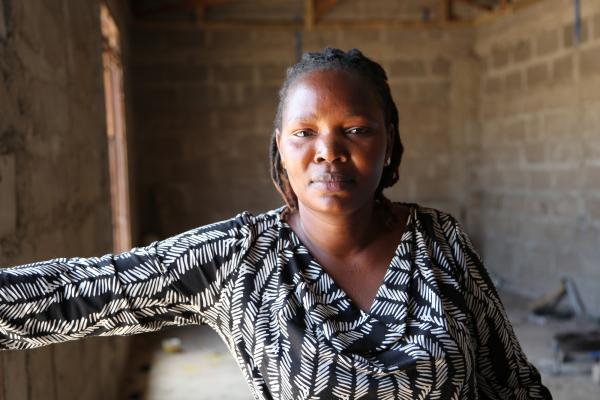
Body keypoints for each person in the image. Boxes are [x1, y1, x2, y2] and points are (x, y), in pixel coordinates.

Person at [0, 48, 551, 400]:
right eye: (304, 132)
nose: (328, 152)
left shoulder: (440, 243)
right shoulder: (241, 260)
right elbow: (78, 290)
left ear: (389, 143)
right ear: (280, 151)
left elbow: (514, 383)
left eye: (355, 130)